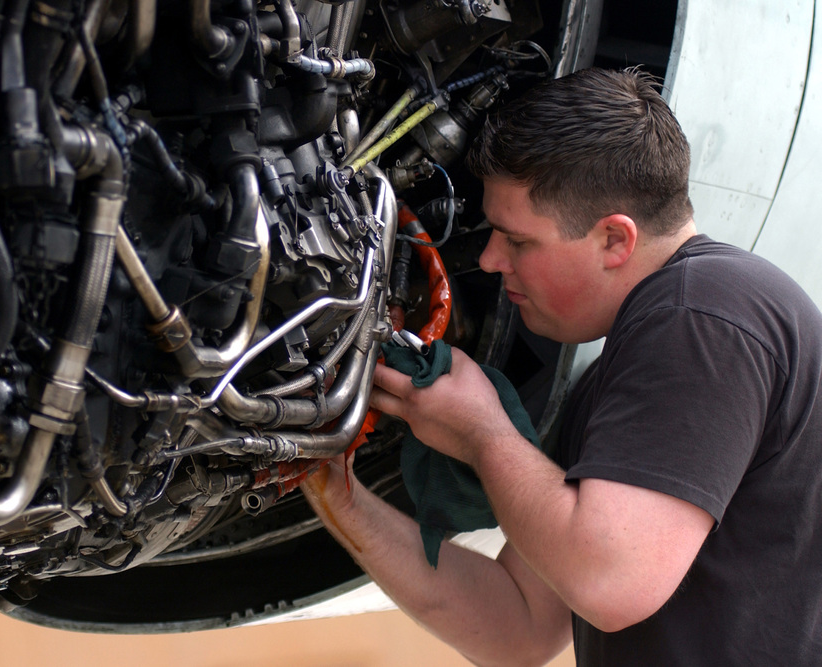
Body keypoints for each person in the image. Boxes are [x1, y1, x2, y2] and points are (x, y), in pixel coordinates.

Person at [301, 67, 822, 665]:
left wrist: (483, 434)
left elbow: (610, 581)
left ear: (614, 240)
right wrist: (333, 488)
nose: (491, 260)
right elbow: (518, 628)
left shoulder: (702, 313)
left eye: (517, 241)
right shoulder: (621, 374)